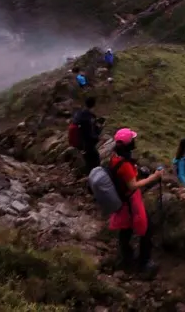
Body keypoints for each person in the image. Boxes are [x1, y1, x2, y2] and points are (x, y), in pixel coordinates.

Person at [108, 128, 164, 275]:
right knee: (146, 229)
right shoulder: (125, 164)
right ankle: (144, 263)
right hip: (130, 199)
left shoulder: (115, 156)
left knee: (126, 228)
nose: (135, 142)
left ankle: (126, 257)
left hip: (123, 198)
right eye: (133, 140)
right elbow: (132, 185)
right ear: (128, 144)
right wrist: (154, 176)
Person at [71, 96, 103, 177]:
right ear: (94, 105)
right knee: (95, 161)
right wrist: (99, 131)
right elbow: (90, 133)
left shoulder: (80, 113)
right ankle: (94, 180)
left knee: (89, 162)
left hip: (82, 144)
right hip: (88, 144)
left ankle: (90, 179)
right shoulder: (89, 118)